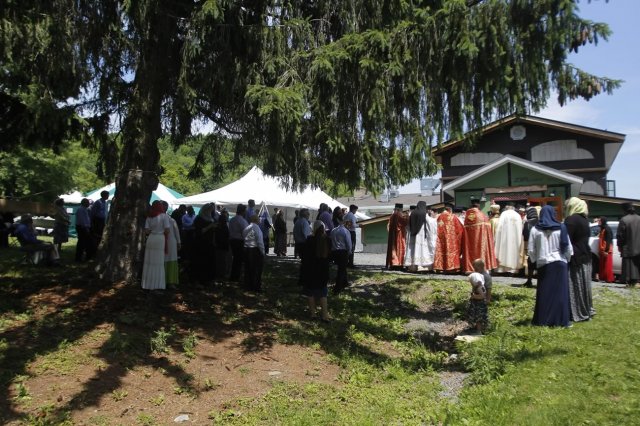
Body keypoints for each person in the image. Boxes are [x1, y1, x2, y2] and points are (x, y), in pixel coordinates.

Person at [528, 205, 572, 327]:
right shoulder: (561, 227)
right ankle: (561, 321)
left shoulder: (535, 229)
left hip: (544, 264)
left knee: (544, 293)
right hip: (560, 263)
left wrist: (537, 259)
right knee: (560, 294)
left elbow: (531, 250)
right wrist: (566, 259)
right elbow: (567, 247)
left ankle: (542, 320)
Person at [564, 197, 594, 322]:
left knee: (575, 285)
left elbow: (566, 240)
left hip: (575, 256)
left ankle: (576, 311)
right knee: (584, 286)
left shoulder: (571, 220)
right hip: (585, 255)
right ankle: (586, 309)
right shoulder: (584, 220)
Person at [301, 220, 332, 322]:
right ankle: (325, 316)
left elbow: (304, 256)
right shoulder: (327, 240)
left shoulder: (310, 239)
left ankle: (313, 315)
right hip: (323, 270)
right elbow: (330, 256)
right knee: (323, 293)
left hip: (310, 270)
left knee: (310, 293)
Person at [141, 201, 171, 290]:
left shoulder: (149, 217)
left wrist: (153, 231)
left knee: (149, 261)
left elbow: (146, 231)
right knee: (158, 262)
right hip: (160, 239)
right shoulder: (164, 216)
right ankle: (157, 285)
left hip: (151, 238)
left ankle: (147, 284)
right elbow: (167, 230)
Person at [461, 200, 497, 273]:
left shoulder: (467, 215)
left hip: (469, 242)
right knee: (480, 253)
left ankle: (469, 268)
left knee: (470, 252)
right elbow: (487, 230)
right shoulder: (481, 215)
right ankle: (481, 269)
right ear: (478, 205)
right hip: (480, 241)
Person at [406, 201, 437, 271]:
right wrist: (436, 220)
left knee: (413, 250)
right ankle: (423, 265)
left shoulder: (413, 213)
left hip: (412, 235)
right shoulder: (423, 213)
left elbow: (408, 225)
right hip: (421, 234)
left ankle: (413, 267)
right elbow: (430, 222)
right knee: (421, 250)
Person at [433, 204, 465, 273]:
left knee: (441, 251)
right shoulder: (453, 217)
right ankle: (451, 268)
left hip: (440, 238)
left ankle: (440, 267)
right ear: (450, 210)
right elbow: (460, 229)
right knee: (451, 251)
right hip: (451, 239)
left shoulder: (439, 217)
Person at [494, 204, 523, 274]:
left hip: (505, 238)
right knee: (514, 252)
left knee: (504, 252)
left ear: (506, 208)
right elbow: (521, 228)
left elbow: (499, 227)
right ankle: (514, 270)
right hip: (516, 239)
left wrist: (497, 237)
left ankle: (503, 269)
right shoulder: (517, 215)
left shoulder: (504, 214)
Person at [193, 203, 217, 287]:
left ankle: (208, 280)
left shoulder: (211, 218)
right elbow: (200, 231)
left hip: (210, 243)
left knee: (209, 262)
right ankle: (198, 281)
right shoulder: (199, 219)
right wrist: (210, 226)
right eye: (209, 210)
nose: (210, 212)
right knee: (201, 262)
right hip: (201, 244)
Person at [617, 202, 640, 288]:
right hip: (638, 247)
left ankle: (630, 282)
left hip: (628, 247)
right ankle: (637, 282)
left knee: (629, 266)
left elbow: (620, 235)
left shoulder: (624, 220)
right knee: (637, 264)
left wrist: (619, 245)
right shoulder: (639, 218)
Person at [330, 216, 352, 294]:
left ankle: (345, 282)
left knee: (342, 267)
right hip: (343, 251)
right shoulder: (345, 231)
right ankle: (338, 288)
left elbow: (331, 241)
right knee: (341, 269)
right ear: (343, 221)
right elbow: (348, 243)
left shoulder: (333, 230)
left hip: (334, 251)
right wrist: (349, 251)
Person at [243, 214, 265, 292]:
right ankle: (256, 287)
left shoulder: (246, 228)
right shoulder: (256, 228)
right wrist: (262, 252)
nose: (260, 220)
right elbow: (259, 242)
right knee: (256, 270)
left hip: (246, 249)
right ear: (256, 220)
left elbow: (244, 238)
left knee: (248, 269)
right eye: (259, 219)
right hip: (255, 250)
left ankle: (248, 285)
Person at [161, 201, 181, 286]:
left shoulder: (157, 219)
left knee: (164, 261)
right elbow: (177, 232)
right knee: (171, 261)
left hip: (163, 242)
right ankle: (170, 281)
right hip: (170, 242)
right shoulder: (171, 219)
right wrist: (179, 242)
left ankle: (163, 280)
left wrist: (179, 242)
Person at [521, 204, 541, 287]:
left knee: (531, 263)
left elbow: (525, 235)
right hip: (540, 245)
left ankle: (529, 280)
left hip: (531, 244)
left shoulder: (527, 223)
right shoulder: (541, 221)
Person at [229, 204, 248, 282]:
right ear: (243, 211)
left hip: (232, 240)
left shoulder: (232, 219)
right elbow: (246, 232)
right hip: (239, 241)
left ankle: (234, 276)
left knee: (236, 259)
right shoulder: (242, 220)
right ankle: (236, 276)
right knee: (239, 260)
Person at [385, 203, 408, 270]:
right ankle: (399, 264)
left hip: (392, 235)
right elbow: (404, 222)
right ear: (400, 209)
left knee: (393, 249)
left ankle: (392, 264)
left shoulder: (392, 216)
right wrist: (407, 216)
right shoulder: (398, 215)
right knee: (400, 249)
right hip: (399, 235)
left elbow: (388, 226)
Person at [467, 270, 488, 334]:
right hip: (477, 305)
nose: (471, 283)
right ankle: (477, 328)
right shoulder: (479, 286)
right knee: (477, 318)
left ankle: (479, 331)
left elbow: (483, 296)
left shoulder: (479, 287)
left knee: (479, 319)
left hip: (479, 306)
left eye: (471, 282)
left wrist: (474, 297)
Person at [595, 216, 614, 283]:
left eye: (600, 221)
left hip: (607, 249)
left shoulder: (607, 229)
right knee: (603, 264)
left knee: (607, 264)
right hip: (603, 249)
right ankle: (603, 277)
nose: (598, 222)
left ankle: (609, 279)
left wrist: (607, 250)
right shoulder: (603, 228)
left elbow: (608, 240)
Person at [215, 209, 231, 281]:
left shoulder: (217, 226)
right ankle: (222, 274)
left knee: (219, 260)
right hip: (224, 245)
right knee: (224, 260)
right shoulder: (225, 227)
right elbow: (227, 235)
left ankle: (219, 273)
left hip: (218, 245)